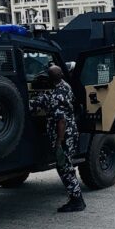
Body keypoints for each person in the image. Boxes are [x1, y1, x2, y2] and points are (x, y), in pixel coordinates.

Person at [29, 65, 84, 213]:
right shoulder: (65, 86)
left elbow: (61, 121)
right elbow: (66, 102)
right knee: (66, 166)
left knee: (64, 168)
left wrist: (58, 141)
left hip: (64, 136)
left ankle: (77, 201)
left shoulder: (56, 96)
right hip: (71, 132)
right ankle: (76, 198)